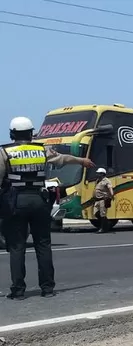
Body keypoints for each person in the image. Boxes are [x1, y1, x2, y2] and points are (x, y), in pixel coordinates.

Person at [0, 116, 94, 300]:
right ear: (31, 133)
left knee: (17, 246)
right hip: (39, 200)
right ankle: (48, 288)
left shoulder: (4, 153)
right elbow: (63, 159)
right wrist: (82, 161)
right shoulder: (41, 150)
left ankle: (18, 291)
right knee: (43, 245)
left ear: (12, 134)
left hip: (15, 202)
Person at [93, 167, 114, 233]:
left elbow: (110, 188)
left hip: (103, 199)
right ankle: (107, 223)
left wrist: (111, 195)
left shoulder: (106, 181)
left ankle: (102, 228)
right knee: (96, 213)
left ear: (102, 174)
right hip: (97, 200)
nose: (97, 174)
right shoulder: (97, 180)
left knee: (103, 214)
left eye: (98, 173)